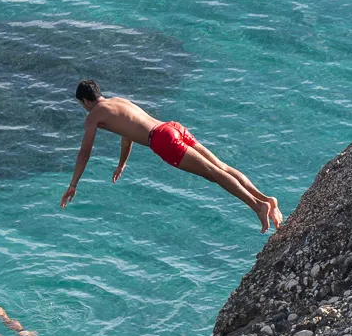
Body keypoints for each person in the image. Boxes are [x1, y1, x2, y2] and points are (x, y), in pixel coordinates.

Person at [60, 80, 283, 233]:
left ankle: (257, 206)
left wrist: (73, 184)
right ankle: (265, 199)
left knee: (213, 173)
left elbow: (84, 152)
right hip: (170, 127)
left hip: (161, 140)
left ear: (85, 102)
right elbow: (126, 135)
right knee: (220, 166)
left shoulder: (93, 116)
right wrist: (122, 163)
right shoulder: (119, 101)